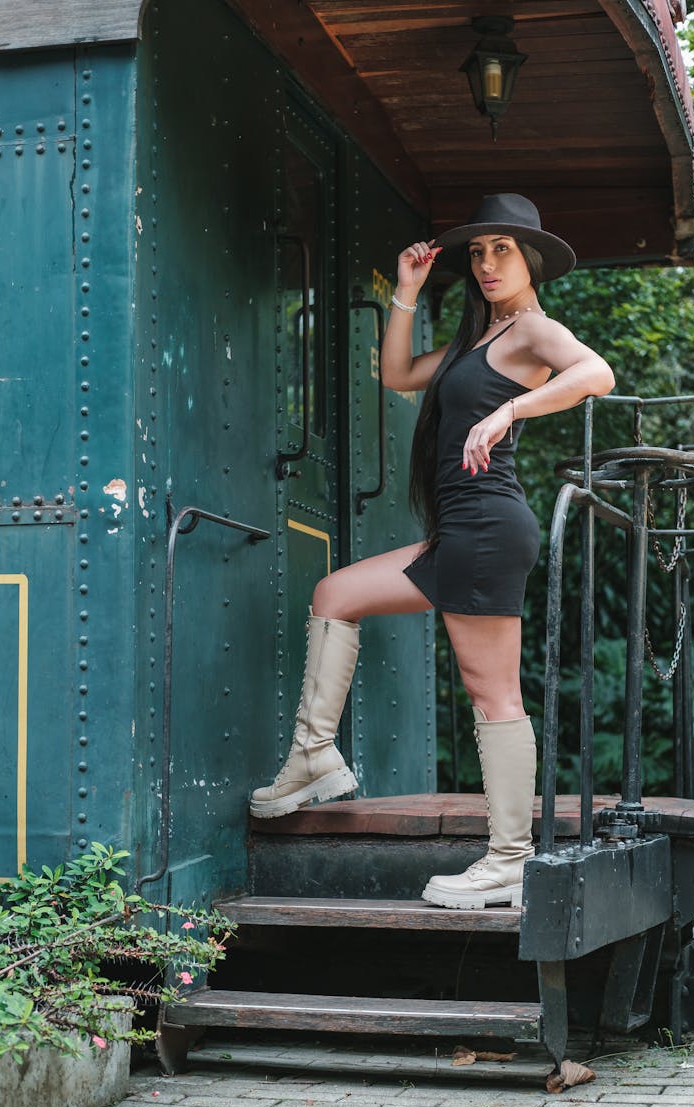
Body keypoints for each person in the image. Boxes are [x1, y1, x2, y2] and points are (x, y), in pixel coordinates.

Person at [250, 194, 614, 909]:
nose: (485, 264)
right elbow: (395, 374)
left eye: (500, 250)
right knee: (336, 595)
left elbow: (595, 373)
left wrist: (509, 408)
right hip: (456, 532)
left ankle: (510, 857)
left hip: (487, 528)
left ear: (529, 258)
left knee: (494, 696)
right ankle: (315, 755)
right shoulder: (479, 341)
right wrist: (409, 294)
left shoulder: (535, 332)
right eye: (477, 253)